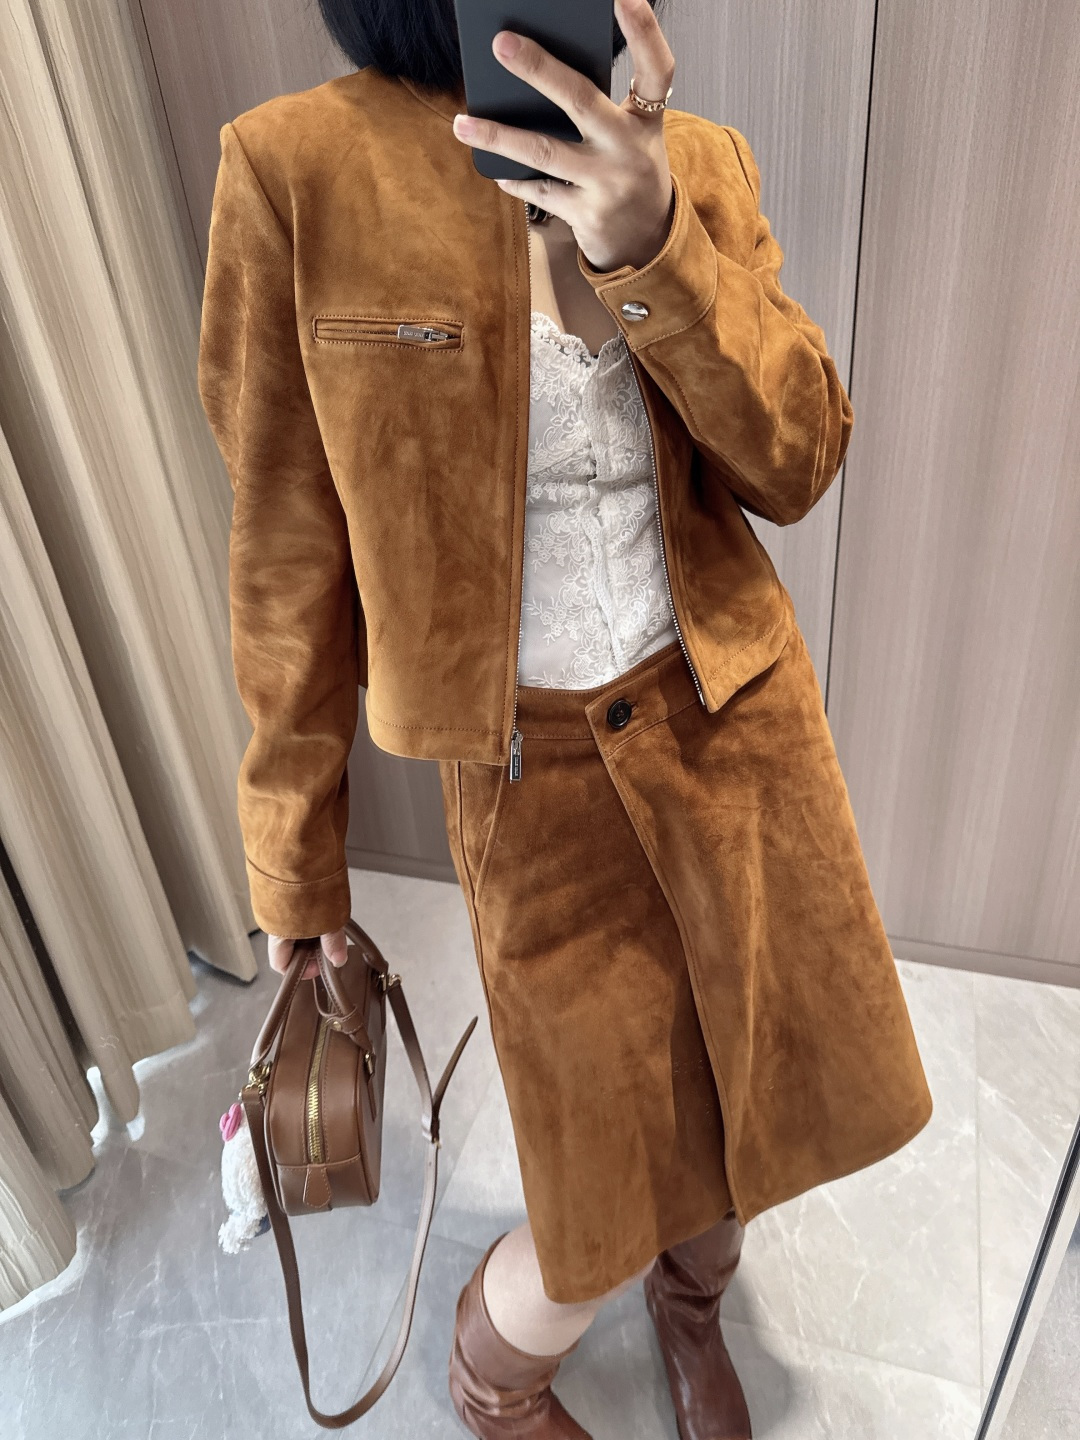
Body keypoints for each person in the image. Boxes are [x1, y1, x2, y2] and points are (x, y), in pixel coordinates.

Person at [198, 1, 935, 1435]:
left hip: (738, 729)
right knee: (593, 1199)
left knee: (748, 1106)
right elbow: (285, 551)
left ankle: (693, 1302)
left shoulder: (691, 159)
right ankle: (494, 1379)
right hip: (529, 778)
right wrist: (296, 855)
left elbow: (798, 461)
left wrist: (655, 245)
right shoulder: (297, 172)